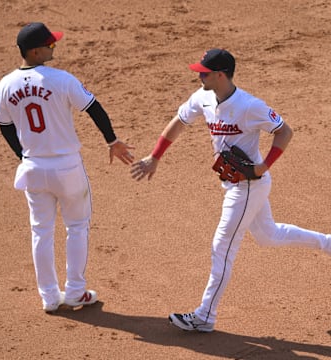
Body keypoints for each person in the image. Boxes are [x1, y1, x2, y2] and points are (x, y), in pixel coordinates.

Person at [131, 48, 331, 332]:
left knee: (221, 247)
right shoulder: (203, 97)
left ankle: (204, 316)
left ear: (220, 75)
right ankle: (327, 243)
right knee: (269, 236)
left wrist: (263, 166)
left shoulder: (249, 106)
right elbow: (179, 123)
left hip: (248, 185)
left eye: (204, 72)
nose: (199, 75)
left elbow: (284, 131)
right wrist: (155, 157)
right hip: (235, 184)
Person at [0, 22, 134, 313]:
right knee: (77, 227)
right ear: (34, 51)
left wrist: (23, 155)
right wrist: (112, 141)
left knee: (41, 231)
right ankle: (75, 292)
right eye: (49, 45)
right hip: (67, 168)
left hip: (33, 168)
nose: (53, 48)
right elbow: (94, 108)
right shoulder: (61, 79)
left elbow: (4, 126)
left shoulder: (6, 84)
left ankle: (48, 298)